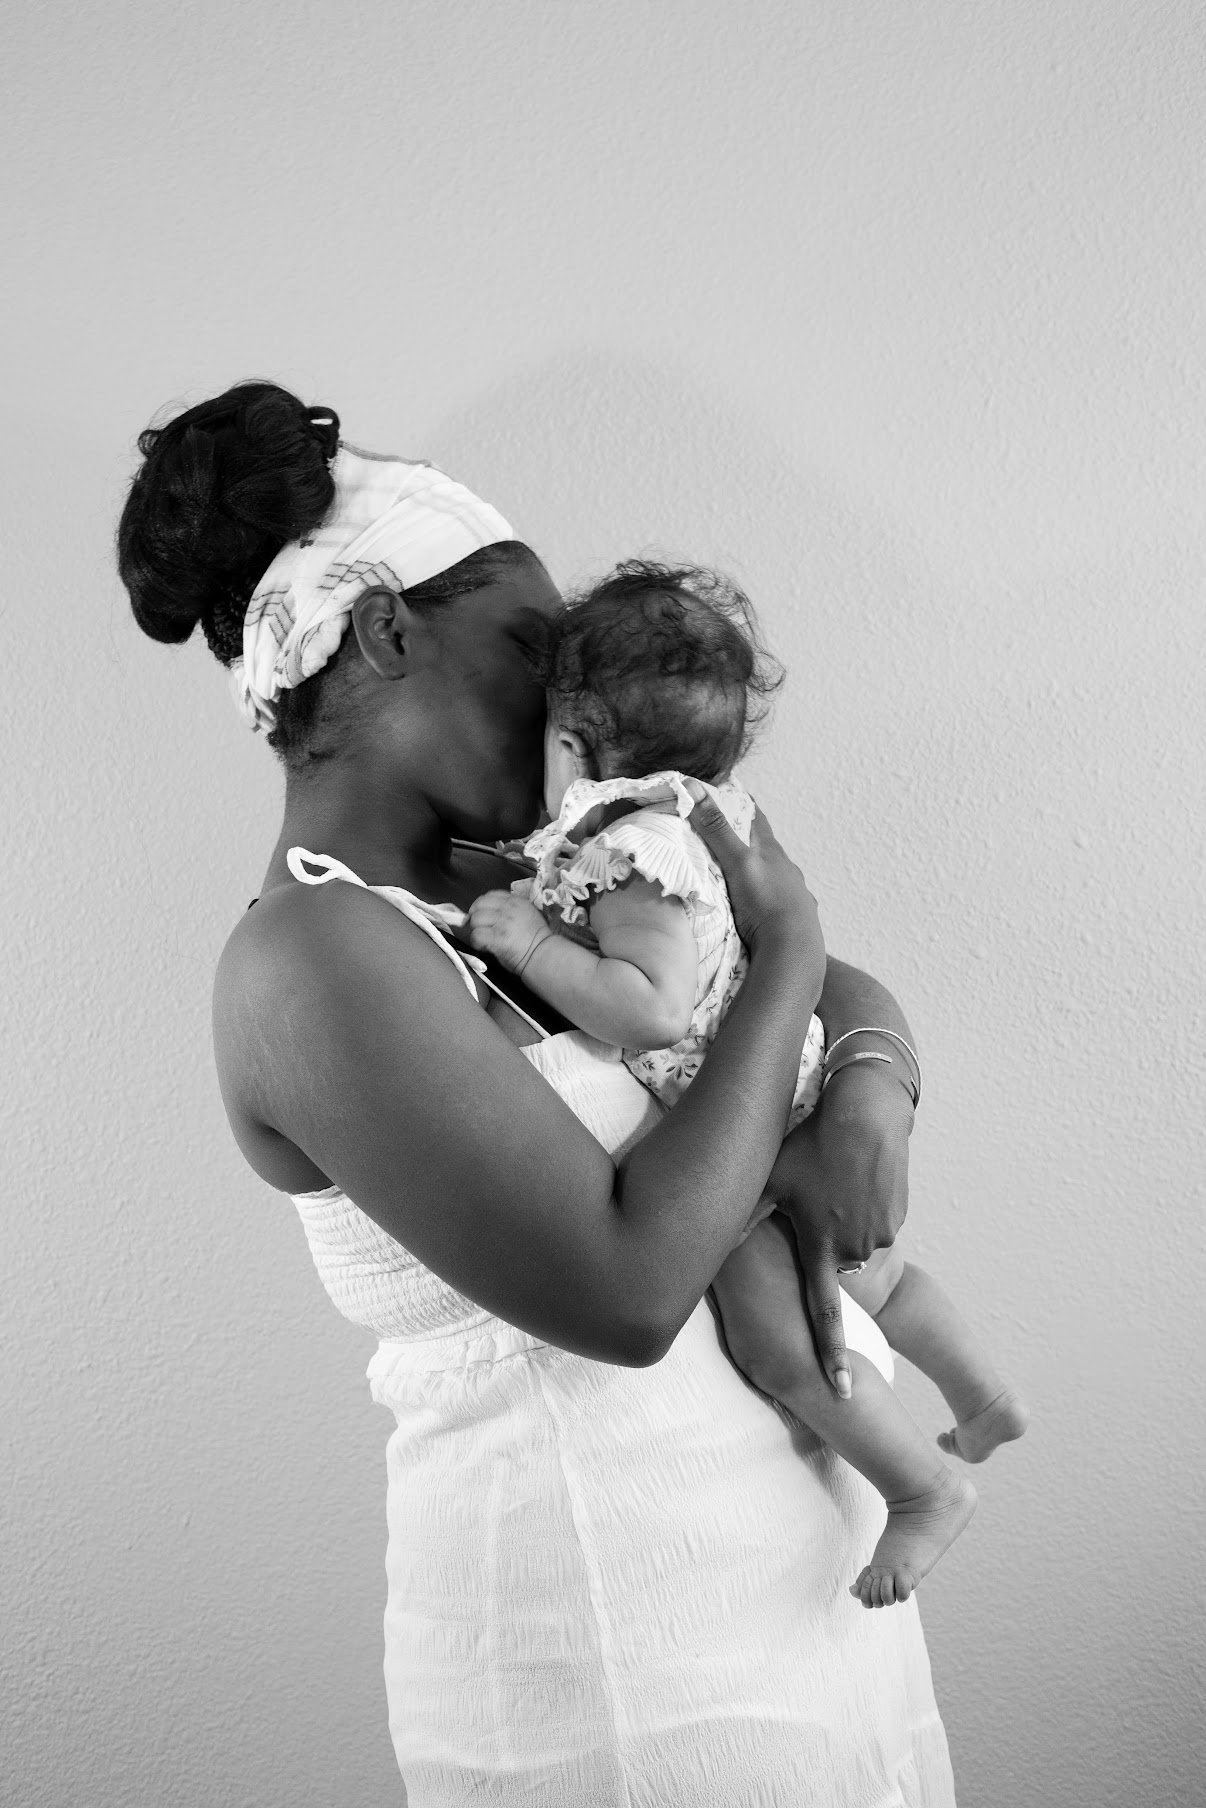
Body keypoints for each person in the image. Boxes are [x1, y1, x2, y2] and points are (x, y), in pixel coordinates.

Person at [118, 379, 958, 1804]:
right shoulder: (313, 959)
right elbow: (626, 1287)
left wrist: (867, 1084)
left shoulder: (525, 876)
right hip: (621, 1663)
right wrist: (795, 943)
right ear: (382, 630)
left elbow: (803, 1004)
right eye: (528, 642)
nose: (574, 695)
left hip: (807, 1602)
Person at [465, 561, 1029, 1611]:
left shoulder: (632, 849)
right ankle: (983, 1392)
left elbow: (649, 1007)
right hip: (797, 1082)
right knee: (880, 1279)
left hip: (751, 1120)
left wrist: (531, 941)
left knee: (777, 1335)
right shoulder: (704, 817)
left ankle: (922, 1486)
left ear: (572, 743)